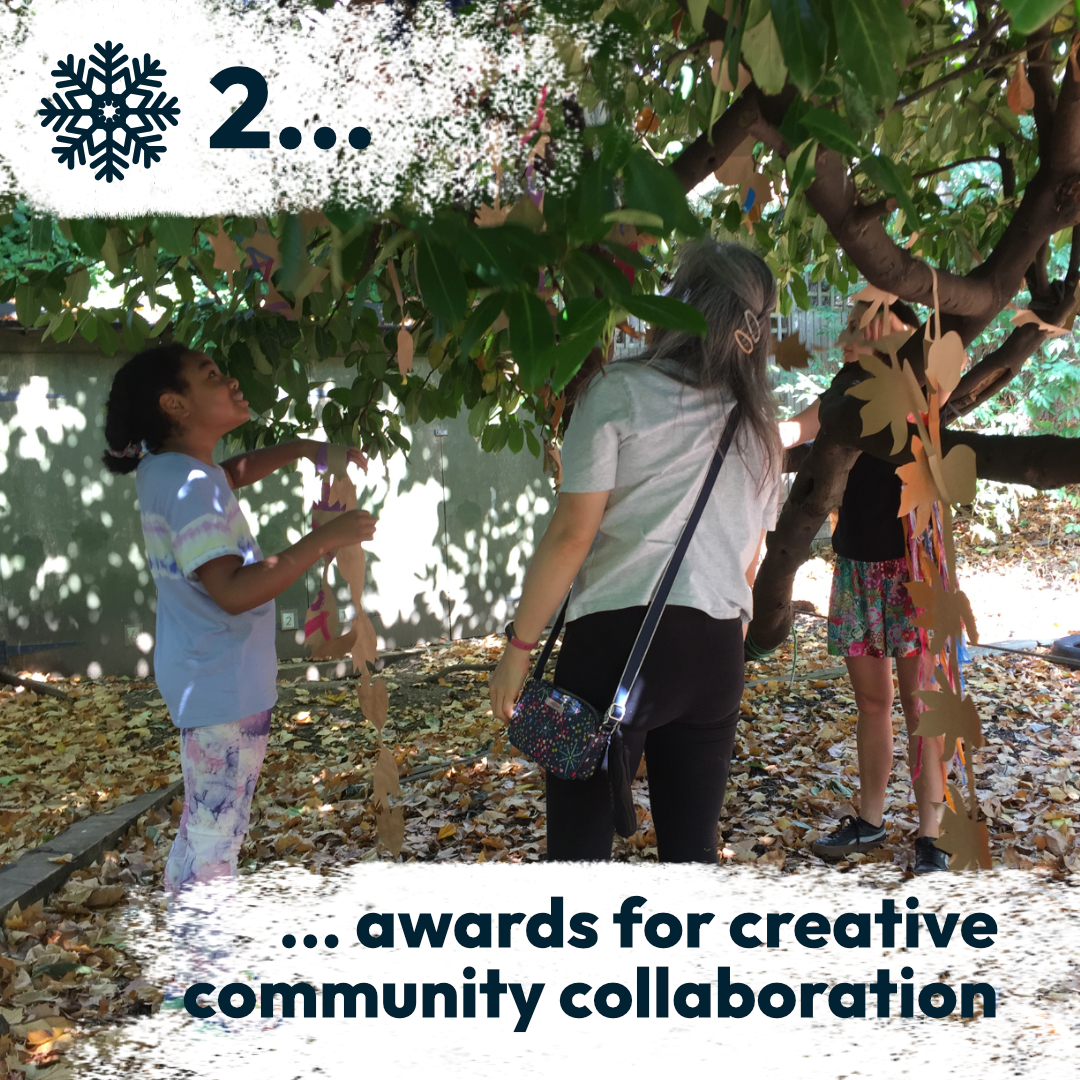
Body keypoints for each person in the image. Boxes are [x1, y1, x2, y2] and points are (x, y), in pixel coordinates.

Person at [488, 240, 783, 863]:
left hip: (613, 641)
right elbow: (750, 559)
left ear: (679, 302)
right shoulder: (759, 427)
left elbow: (572, 535)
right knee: (691, 853)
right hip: (715, 652)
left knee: (579, 854)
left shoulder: (619, 391)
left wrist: (518, 649)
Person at [102, 342, 376, 896]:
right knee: (215, 835)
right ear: (174, 405)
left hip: (205, 677)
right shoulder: (192, 487)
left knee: (209, 824)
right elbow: (230, 590)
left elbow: (230, 473)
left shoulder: (169, 471)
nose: (228, 381)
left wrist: (302, 449)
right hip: (224, 685)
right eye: (211, 375)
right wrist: (324, 540)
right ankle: (202, 967)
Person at [781, 312, 947, 874]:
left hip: (910, 569)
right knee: (873, 703)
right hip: (856, 568)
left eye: (872, 322)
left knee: (920, 704)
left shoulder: (919, 388)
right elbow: (794, 431)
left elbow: (949, 360)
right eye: (853, 322)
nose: (854, 332)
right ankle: (871, 820)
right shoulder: (841, 395)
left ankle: (931, 834)